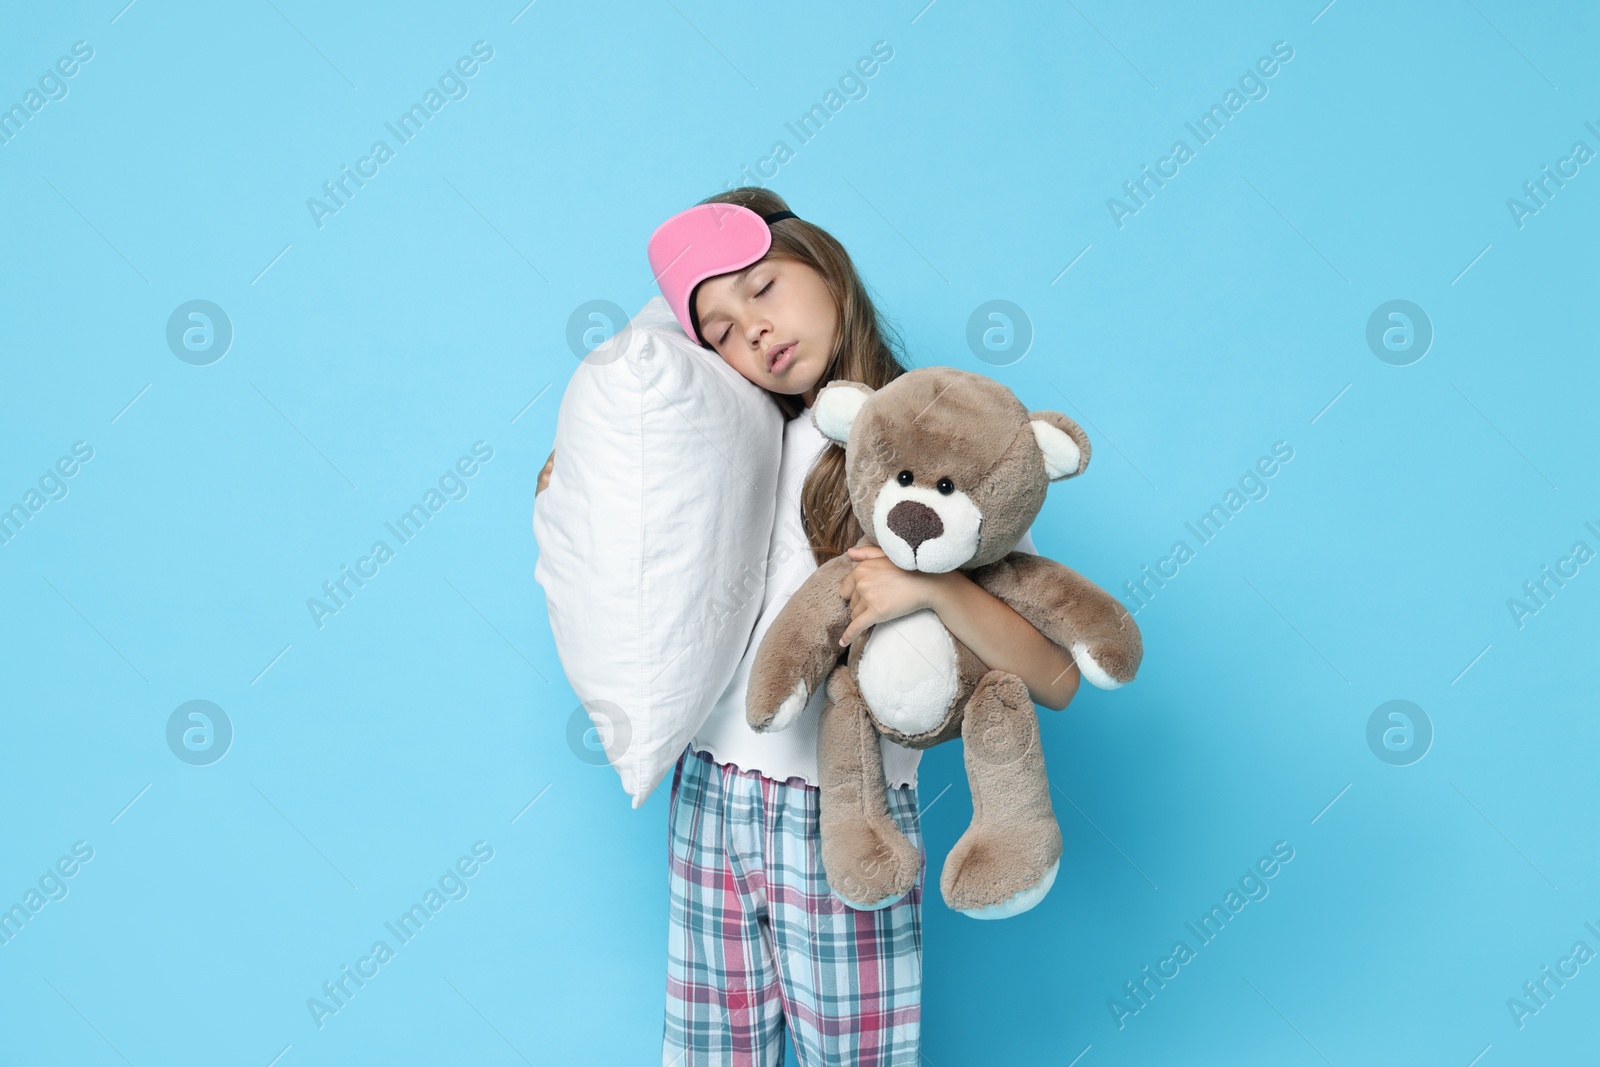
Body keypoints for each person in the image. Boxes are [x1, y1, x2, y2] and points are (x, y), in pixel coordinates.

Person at [542, 187, 1083, 1066]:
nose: (751, 331)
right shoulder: (737, 429)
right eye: (717, 328)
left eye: (761, 287)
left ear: (823, 265)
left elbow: (1055, 676)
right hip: (711, 792)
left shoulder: (935, 434)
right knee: (711, 1051)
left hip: (848, 814)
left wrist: (933, 593)